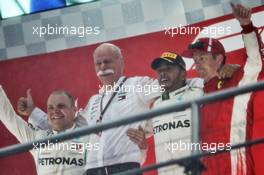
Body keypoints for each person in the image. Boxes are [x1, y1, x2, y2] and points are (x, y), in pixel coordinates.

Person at [17, 43, 162, 174]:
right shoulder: (94, 101)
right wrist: (32, 112)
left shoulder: (136, 86)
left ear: (121, 62)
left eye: (107, 61)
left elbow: (168, 85)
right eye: (98, 63)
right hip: (92, 171)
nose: (103, 67)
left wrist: (148, 127)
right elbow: (64, 123)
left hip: (123, 168)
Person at [181, 3, 263, 175]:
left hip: (234, 165)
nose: (196, 64)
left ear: (218, 59)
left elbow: (255, 60)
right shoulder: (195, 91)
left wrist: (246, 26)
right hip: (205, 168)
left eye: (202, 58)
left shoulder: (238, 80)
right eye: (195, 60)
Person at [0, 87, 90, 174]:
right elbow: (9, 118)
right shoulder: (38, 138)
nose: (55, 111)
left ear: (74, 110)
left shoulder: (89, 140)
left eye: (61, 106)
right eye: (51, 107)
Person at [150, 51, 204, 175]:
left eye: (168, 69)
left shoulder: (198, 94)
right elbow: (145, 131)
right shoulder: (156, 105)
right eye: (159, 71)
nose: (163, 74)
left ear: (184, 74)